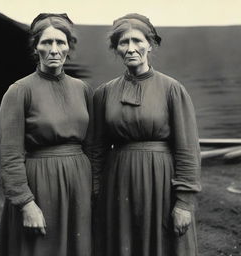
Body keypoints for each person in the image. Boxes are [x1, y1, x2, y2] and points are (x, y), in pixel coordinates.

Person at [93, 13, 201, 256]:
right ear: (116, 48)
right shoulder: (104, 93)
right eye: (123, 42)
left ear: (150, 44)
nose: (131, 48)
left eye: (138, 41)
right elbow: (96, 149)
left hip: (161, 184)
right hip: (118, 186)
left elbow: (188, 149)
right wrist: (96, 192)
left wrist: (184, 203)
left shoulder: (172, 89)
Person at [0, 13, 93, 256]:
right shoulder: (19, 91)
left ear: (69, 47)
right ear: (35, 46)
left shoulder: (82, 89)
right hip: (40, 184)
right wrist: (26, 204)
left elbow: (92, 145)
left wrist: (93, 189)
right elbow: (11, 155)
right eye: (46, 42)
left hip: (78, 185)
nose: (53, 49)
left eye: (60, 42)